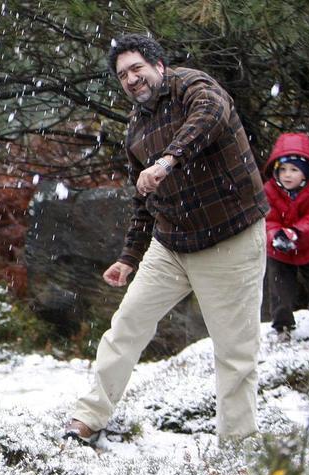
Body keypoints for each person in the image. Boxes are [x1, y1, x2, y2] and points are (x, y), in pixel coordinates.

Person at [65, 34, 270, 443]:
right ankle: (88, 419)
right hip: (171, 244)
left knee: (234, 354)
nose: (131, 79)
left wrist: (169, 159)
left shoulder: (195, 89)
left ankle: (237, 450)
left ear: (159, 65)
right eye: (123, 75)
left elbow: (211, 115)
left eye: (137, 68)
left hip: (230, 239)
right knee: (125, 327)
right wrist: (128, 257)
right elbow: (143, 202)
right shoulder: (136, 130)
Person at [263, 132, 309, 336]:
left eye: (294, 169)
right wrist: (276, 235)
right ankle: (282, 325)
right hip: (279, 251)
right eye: (282, 169)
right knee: (279, 291)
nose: (287, 175)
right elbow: (267, 218)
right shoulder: (269, 190)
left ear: (306, 172)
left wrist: (295, 233)